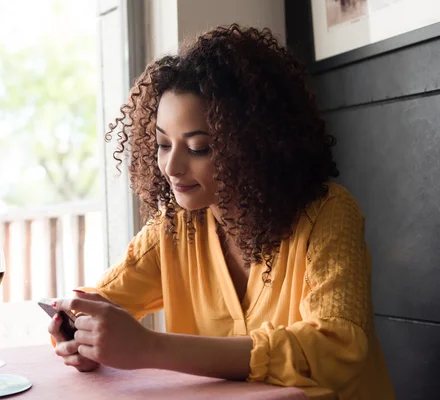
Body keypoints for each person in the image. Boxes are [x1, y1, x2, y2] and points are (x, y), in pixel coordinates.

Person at [48, 24, 395, 399]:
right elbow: (99, 302)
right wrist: (79, 335)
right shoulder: (174, 229)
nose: (171, 166)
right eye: (163, 144)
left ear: (256, 146)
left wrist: (151, 348)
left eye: (198, 148)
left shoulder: (328, 213)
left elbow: (337, 347)